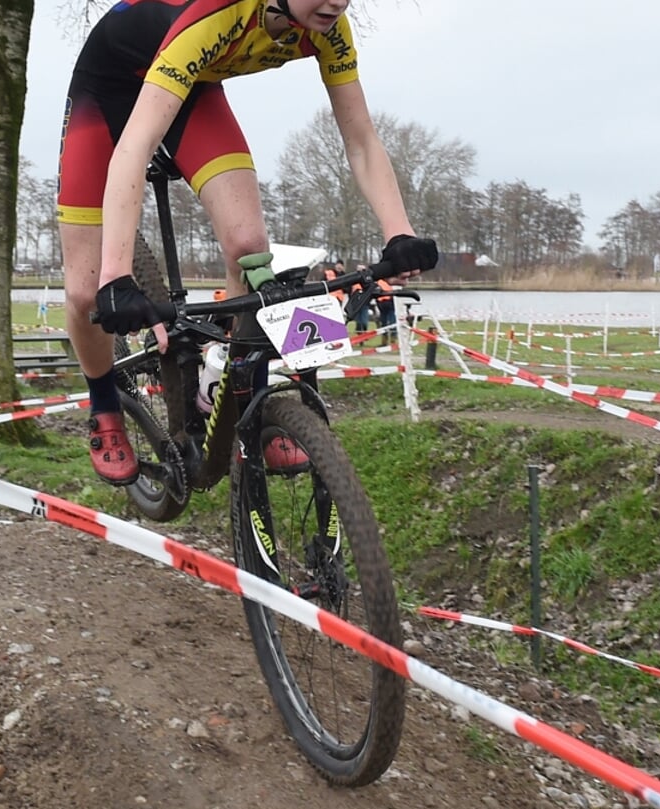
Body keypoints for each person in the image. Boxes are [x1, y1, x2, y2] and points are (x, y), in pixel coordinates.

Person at [57, 0, 438, 485]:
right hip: (110, 88)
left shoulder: (328, 28)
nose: (337, 2)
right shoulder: (219, 15)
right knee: (86, 293)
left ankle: (228, 387)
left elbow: (360, 138)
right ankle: (104, 404)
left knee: (250, 244)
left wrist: (397, 232)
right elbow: (134, 146)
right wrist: (117, 276)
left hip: (191, 88)